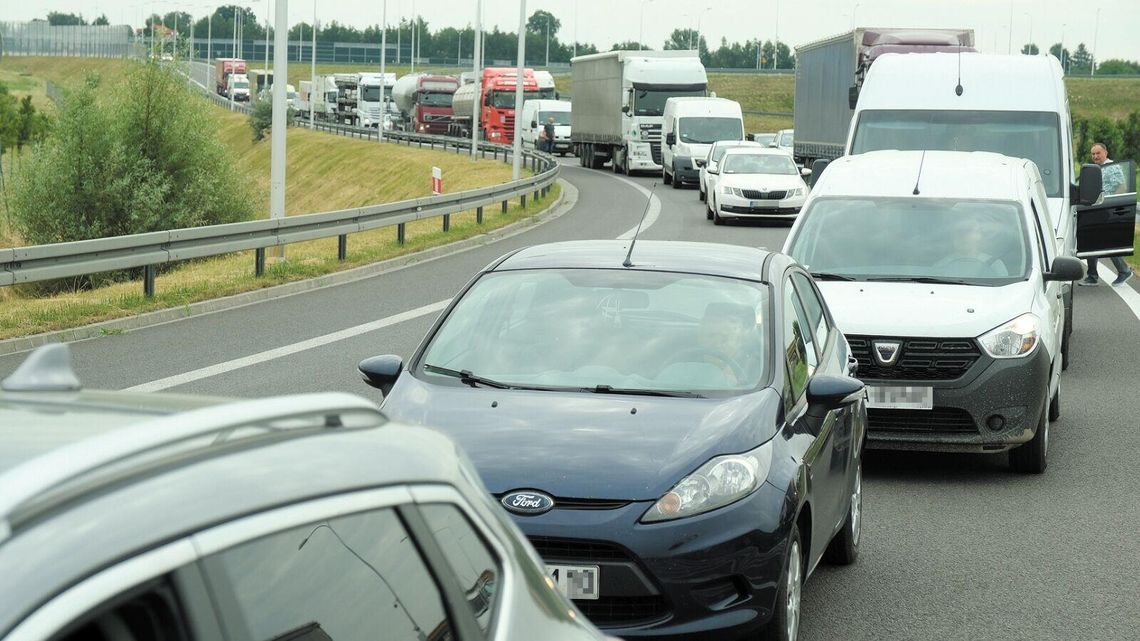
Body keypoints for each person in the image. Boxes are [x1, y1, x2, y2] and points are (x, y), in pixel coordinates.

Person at [1079, 142, 1134, 287]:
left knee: (1105, 241)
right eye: (1093, 154)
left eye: (1098, 153)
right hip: (1096, 209)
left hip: (1107, 209)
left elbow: (1121, 187)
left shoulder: (1112, 167)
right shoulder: (1097, 168)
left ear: (1105, 153)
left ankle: (1123, 271)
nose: (1095, 156)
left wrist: (1112, 206)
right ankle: (1092, 275)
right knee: (1092, 241)